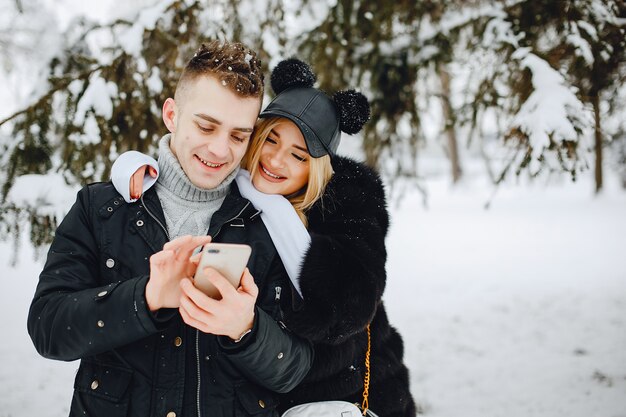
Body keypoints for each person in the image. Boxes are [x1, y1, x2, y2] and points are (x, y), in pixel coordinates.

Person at [114, 58, 417, 417]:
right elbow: (186, 170)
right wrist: (133, 165)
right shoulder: (236, 182)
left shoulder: (347, 204)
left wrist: (272, 206)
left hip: (344, 394)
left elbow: (346, 305)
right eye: (270, 139)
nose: (274, 160)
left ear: (317, 167)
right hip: (266, 398)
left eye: (298, 155)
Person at [27, 41, 314, 417]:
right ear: (172, 114)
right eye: (206, 126)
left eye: (238, 136)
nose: (219, 149)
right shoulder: (101, 208)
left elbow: (296, 369)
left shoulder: (268, 224)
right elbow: (49, 328)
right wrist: (145, 298)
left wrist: (246, 328)